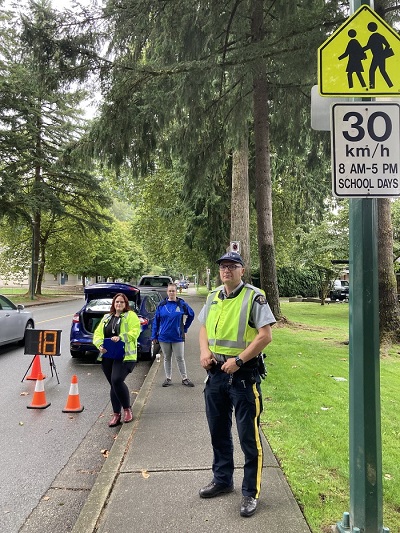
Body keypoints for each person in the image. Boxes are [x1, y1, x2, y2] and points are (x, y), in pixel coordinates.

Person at [198, 251, 275, 518]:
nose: (226, 270)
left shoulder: (255, 296)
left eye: (232, 266)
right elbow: (204, 327)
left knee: (248, 438)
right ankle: (222, 481)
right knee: (218, 432)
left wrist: (239, 361)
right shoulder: (213, 296)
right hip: (216, 373)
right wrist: (203, 351)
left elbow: (265, 336)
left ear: (242, 270)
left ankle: (250, 493)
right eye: (222, 266)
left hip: (243, 376)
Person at [93, 293, 141, 427]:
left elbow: (135, 331)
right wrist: (99, 345)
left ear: (126, 304)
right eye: (117, 302)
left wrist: (121, 337)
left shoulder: (131, 316)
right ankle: (116, 414)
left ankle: (127, 409)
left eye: (121, 302)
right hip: (107, 355)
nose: (119, 304)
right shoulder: (106, 317)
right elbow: (97, 334)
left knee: (116, 380)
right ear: (113, 304)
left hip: (125, 356)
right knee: (114, 385)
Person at [151, 282, 195, 387]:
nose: (171, 293)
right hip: (163, 337)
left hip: (178, 336)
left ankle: (184, 378)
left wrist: (185, 328)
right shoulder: (161, 305)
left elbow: (191, 315)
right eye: (169, 291)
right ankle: (168, 378)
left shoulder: (181, 304)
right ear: (167, 292)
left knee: (180, 357)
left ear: (176, 291)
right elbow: (156, 322)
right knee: (167, 358)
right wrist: (154, 336)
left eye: (173, 291)